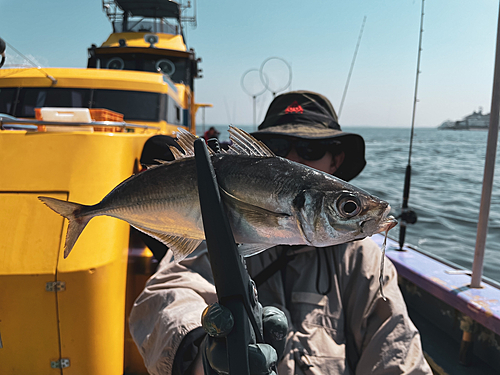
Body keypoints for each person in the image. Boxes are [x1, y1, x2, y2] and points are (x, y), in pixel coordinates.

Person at [129, 90, 432, 375]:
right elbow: (166, 294)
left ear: (335, 161)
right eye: (278, 149)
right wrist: (201, 356)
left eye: (310, 149)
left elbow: (398, 350)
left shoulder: (361, 261)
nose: (293, 161)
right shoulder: (216, 231)